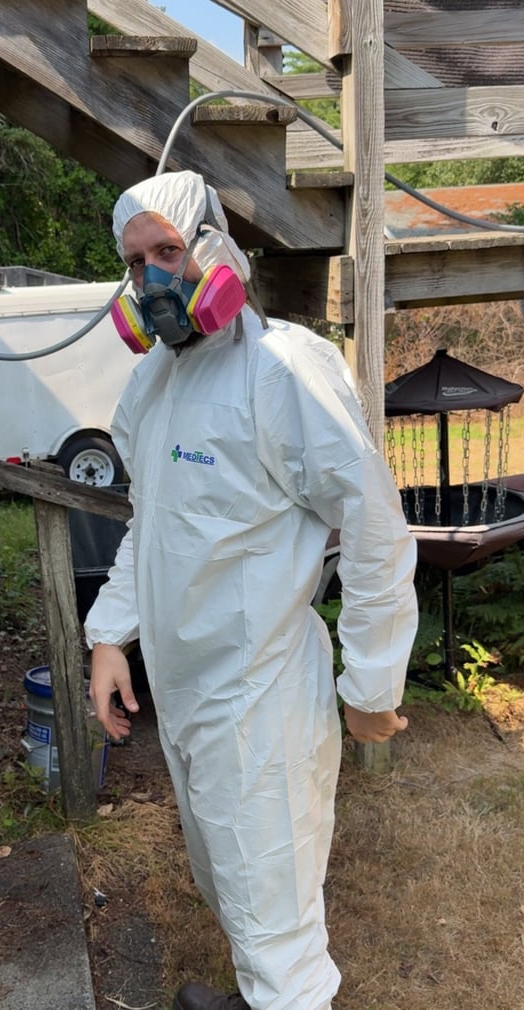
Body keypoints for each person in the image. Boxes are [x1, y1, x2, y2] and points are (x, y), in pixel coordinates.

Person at [84, 170, 418, 1010]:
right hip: (191, 697)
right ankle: (255, 993)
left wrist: (370, 682)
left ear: (216, 254)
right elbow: (149, 524)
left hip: (261, 702)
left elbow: (375, 523)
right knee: (227, 881)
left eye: (169, 251)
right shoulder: (153, 387)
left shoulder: (282, 371)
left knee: (278, 923)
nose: (154, 278)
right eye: (136, 262)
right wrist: (108, 638)